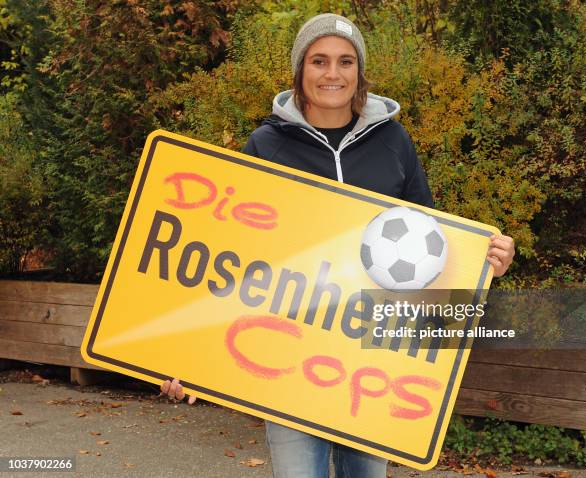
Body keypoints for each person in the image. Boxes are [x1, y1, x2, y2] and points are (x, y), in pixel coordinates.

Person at [161, 13, 516, 478]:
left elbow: (432, 240)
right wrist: (187, 357)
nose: (333, 74)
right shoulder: (265, 145)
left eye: (345, 61)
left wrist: (487, 263)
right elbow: (229, 259)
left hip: (373, 359)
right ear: (300, 71)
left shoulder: (393, 141)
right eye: (320, 61)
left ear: (359, 71)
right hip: (287, 359)